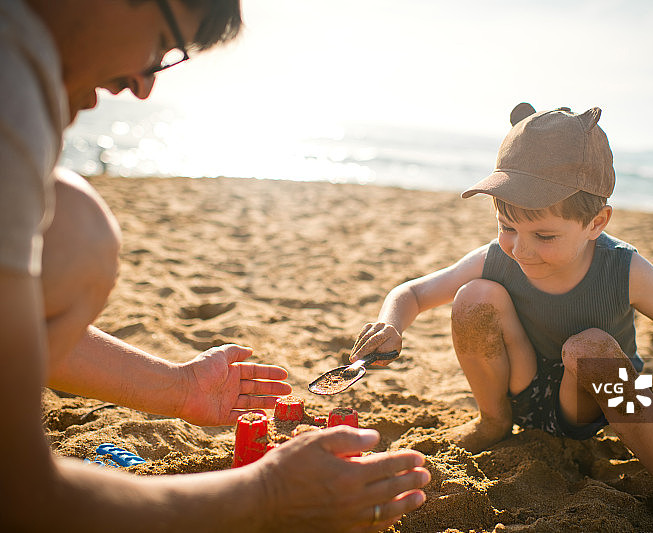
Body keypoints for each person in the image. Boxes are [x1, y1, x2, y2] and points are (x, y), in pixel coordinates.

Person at [0, 0, 429, 531]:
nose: (143, 85)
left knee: (66, 228)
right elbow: (24, 494)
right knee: (79, 232)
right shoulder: (13, 79)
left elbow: (15, 325)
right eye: (163, 47)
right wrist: (268, 493)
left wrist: (179, 387)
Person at [350, 103, 653, 531]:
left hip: (590, 400)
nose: (521, 249)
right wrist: (391, 324)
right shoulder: (497, 258)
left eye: (545, 235)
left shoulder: (624, 269)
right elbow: (414, 292)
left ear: (596, 223)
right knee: (474, 295)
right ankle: (493, 421)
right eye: (507, 226)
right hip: (522, 387)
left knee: (588, 346)